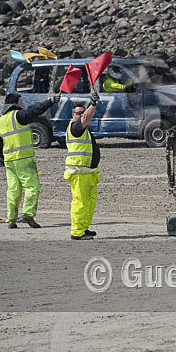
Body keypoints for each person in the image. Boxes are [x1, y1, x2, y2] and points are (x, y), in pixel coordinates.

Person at [0, 92, 59, 229]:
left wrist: (2, 159)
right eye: (20, 101)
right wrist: (50, 101)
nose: (22, 104)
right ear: (15, 103)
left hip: (9, 161)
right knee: (32, 187)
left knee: (13, 190)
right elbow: (34, 111)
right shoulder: (18, 116)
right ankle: (28, 214)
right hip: (23, 158)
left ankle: (11, 219)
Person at [65, 91, 101, 241]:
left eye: (82, 112)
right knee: (80, 202)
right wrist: (93, 104)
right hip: (79, 172)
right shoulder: (75, 127)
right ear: (73, 115)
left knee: (89, 201)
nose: (81, 115)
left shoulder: (83, 129)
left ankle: (84, 228)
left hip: (87, 172)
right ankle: (77, 232)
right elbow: (86, 118)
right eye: (78, 113)